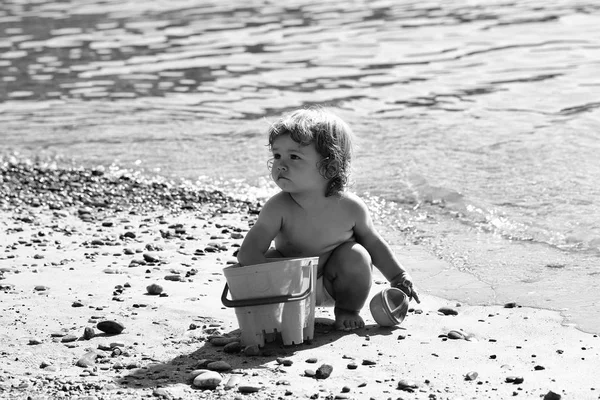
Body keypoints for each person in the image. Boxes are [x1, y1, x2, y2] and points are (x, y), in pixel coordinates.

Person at [237, 107, 420, 331]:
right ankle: (280, 312)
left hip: (335, 282)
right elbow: (249, 251)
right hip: (290, 286)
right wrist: (267, 283)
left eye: (294, 157)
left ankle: (347, 309)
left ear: (330, 166)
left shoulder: (350, 207)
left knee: (356, 255)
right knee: (270, 257)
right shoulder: (278, 207)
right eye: (277, 155)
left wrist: (398, 275)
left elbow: (373, 243)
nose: (280, 165)